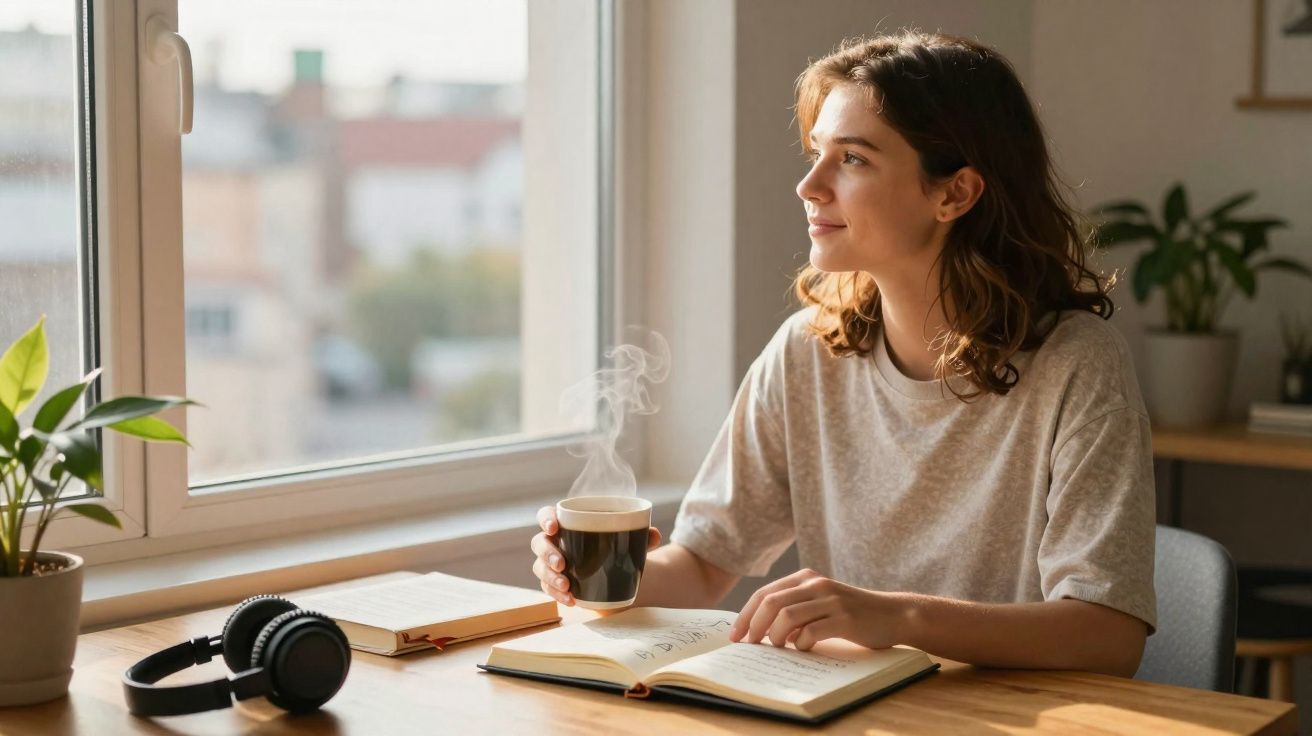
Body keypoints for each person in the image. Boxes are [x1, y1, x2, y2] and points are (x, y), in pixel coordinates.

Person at [530, 29, 1155, 677]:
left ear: (955, 194)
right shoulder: (805, 353)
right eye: (816, 153)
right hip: (852, 711)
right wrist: (589, 578)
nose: (809, 185)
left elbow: (1108, 636)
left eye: (852, 159)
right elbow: (702, 564)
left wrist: (899, 617)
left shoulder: (1077, 363)